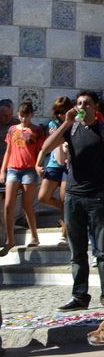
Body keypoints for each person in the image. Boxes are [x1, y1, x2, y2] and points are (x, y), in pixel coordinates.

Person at [38, 90, 104, 310]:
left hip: (98, 197)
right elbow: (46, 148)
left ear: (96, 107)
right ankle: (79, 296)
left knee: (102, 250)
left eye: (87, 103)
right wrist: (66, 123)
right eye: (79, 103)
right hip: (73, 197)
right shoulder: (70, 129)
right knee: (77, 252)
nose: (82, 106)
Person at [2, 102, 44, 252]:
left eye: (27, 116)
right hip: (13, 168)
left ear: (31, 115)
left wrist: (38, 165)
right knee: (8, 205)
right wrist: (2, 171)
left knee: (27, 205)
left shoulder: (37, 130)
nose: (24, 119)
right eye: (21, 116)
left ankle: (34, 236)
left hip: (29, 170)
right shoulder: (12, 129)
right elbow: (8, 151)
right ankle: (10, 240)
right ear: (18, 115)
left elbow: (41, 150)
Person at [35, 96, 72, 236]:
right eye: (58, 112)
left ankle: (65, 232)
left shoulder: (75, 124)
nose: (60, 115)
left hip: (68, 164)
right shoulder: (53, 124)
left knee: (64, 197)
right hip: (54, 164)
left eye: (63, 111)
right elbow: (46, 148)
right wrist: (37, 165)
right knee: (43, 196)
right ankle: (64, 212)